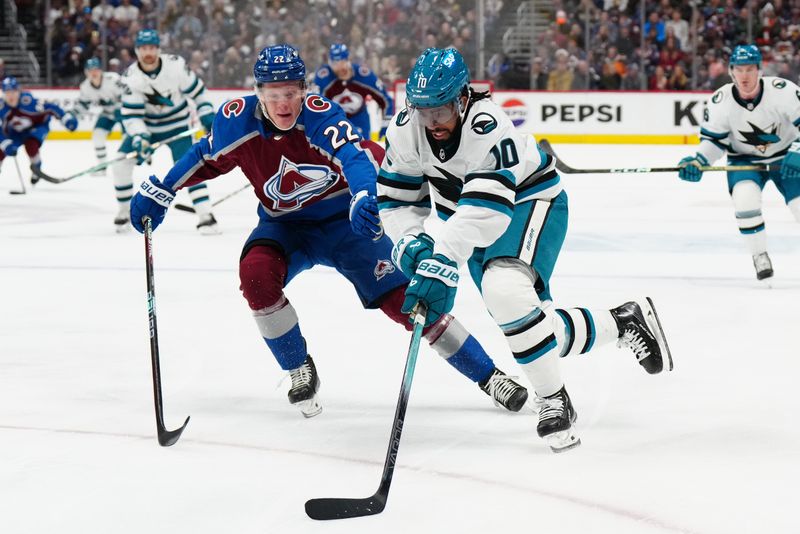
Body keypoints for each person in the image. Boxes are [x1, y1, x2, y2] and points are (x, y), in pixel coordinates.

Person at [128, 44, 530, 418]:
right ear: (258, 92)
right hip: (284, 228)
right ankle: (298, 367)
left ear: (305, 90)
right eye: (273, 93)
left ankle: (488, 375)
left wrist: (361, 196)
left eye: (291, 92)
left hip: (346, 227)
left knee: (410, 302)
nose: (284, 103)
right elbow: (203, 155)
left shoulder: (320, 115)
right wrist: (163, 188)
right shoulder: (237, 121)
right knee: (255, 276)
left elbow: (354, 156)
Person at [376, 47, 673, 453]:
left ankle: (554, 400)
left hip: (528, 203)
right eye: (425, 112)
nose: (434, 123)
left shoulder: (488, 126)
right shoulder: (406, 128)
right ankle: (622, 322)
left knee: (505, 292)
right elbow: (396, 202)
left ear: (463, 97)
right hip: (467, 221)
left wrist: (442, 258)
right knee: (531, 324)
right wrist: (412, 244)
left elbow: (486, 211)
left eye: (442, 111)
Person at [678, 44, 800, 282]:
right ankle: (759, 255)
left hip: (786, 158)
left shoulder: (783, 91)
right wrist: (698, 160)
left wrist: (798, 150)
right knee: (745, 201)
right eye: (739, 70)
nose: (745, 76)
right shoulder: (720, 100)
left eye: (750, 70)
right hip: (744, 160)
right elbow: (714, 142)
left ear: (759, 70)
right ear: (731, 71)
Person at [114, 29, 218, 234]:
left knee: (191, 167)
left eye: (152, 48)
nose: (148, 53)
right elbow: (132, 116)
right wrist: (139, 137)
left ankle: (206, 215)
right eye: (143, 49)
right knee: (120, 163)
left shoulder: (175, 65)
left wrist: (206, 113)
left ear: (159, 49)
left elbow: (199, 92)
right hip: (148, 129)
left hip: (178, 126)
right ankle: (124, 211)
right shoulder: (130, 78)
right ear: (136, 51)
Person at [0, 76, 78, 179]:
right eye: (8, 92)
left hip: (37, 127)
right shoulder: (2, 107)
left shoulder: (28, 102)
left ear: (18, 91)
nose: (11, 96)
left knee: (31, 144)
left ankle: (36, 167)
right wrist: (5, 143)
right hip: (15, 132)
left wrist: (65, 118)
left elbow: (51, 107)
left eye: (13, 91)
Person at [313, 43, 394, 139]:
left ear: (348, 60)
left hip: (359, 119)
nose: (340, 67)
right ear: (330, 63)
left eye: (342, 62)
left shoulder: (364, 75)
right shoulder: (323, 78)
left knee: (363, 150)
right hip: (333, 121)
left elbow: (386, 100)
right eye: (335, 64)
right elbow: (314, 107)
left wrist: (386, 125)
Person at [71, 57, 124, 181]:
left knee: (128, 137)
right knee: (97, 136)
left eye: (96, 69)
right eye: (90, 70)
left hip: (124, 112)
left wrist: (119, 109)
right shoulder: (85, 86)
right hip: (107, 113)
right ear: (86, 72)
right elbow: (83, 105)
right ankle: (102, 166)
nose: (94, 73)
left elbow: (129, 95)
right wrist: (72, 114)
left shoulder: (113, 79)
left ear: (101, 70)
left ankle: (130, 162)